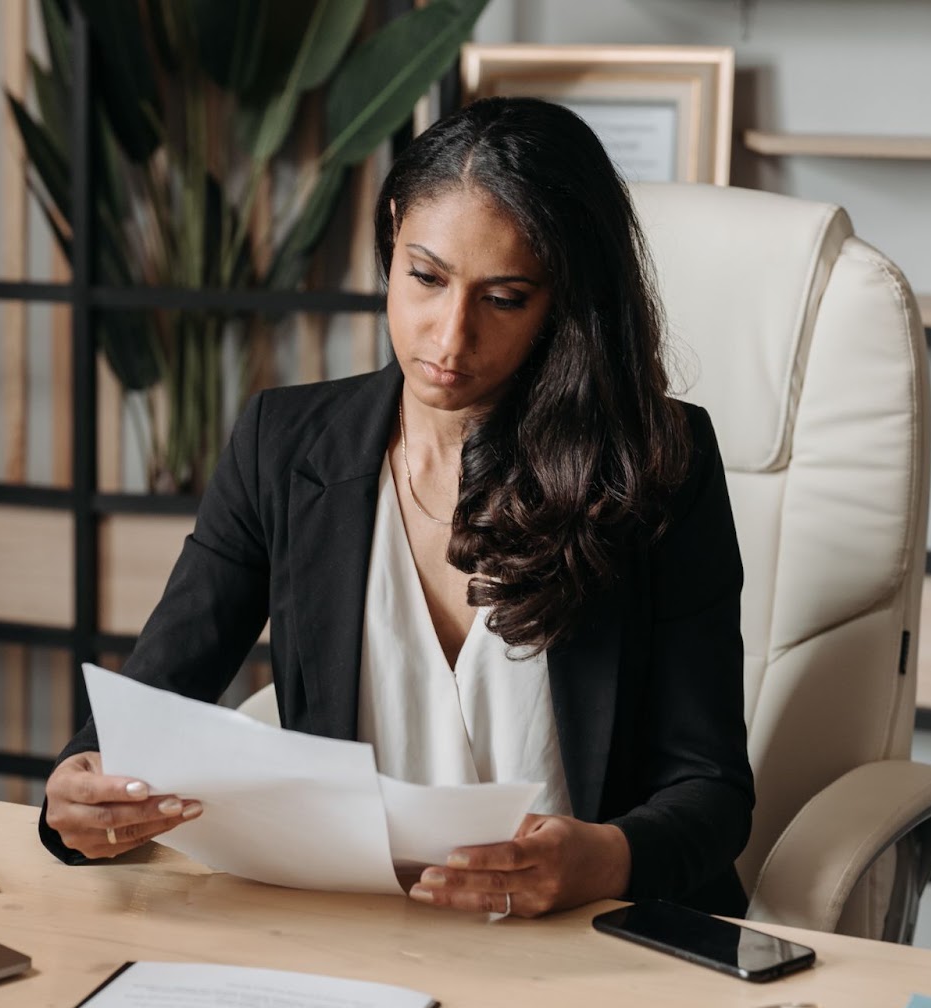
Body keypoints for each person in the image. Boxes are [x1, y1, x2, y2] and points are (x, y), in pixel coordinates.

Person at [38, 96, 753, 919]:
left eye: (506, 298)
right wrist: (80, 791)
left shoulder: (657, 464)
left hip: (589, 936)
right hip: (361, 931)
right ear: (390, 241)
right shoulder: (285, 445)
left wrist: (601, 860)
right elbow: (150, 703)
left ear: (567, 302)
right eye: (425, 277)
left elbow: (713, 793)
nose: (449, 340)